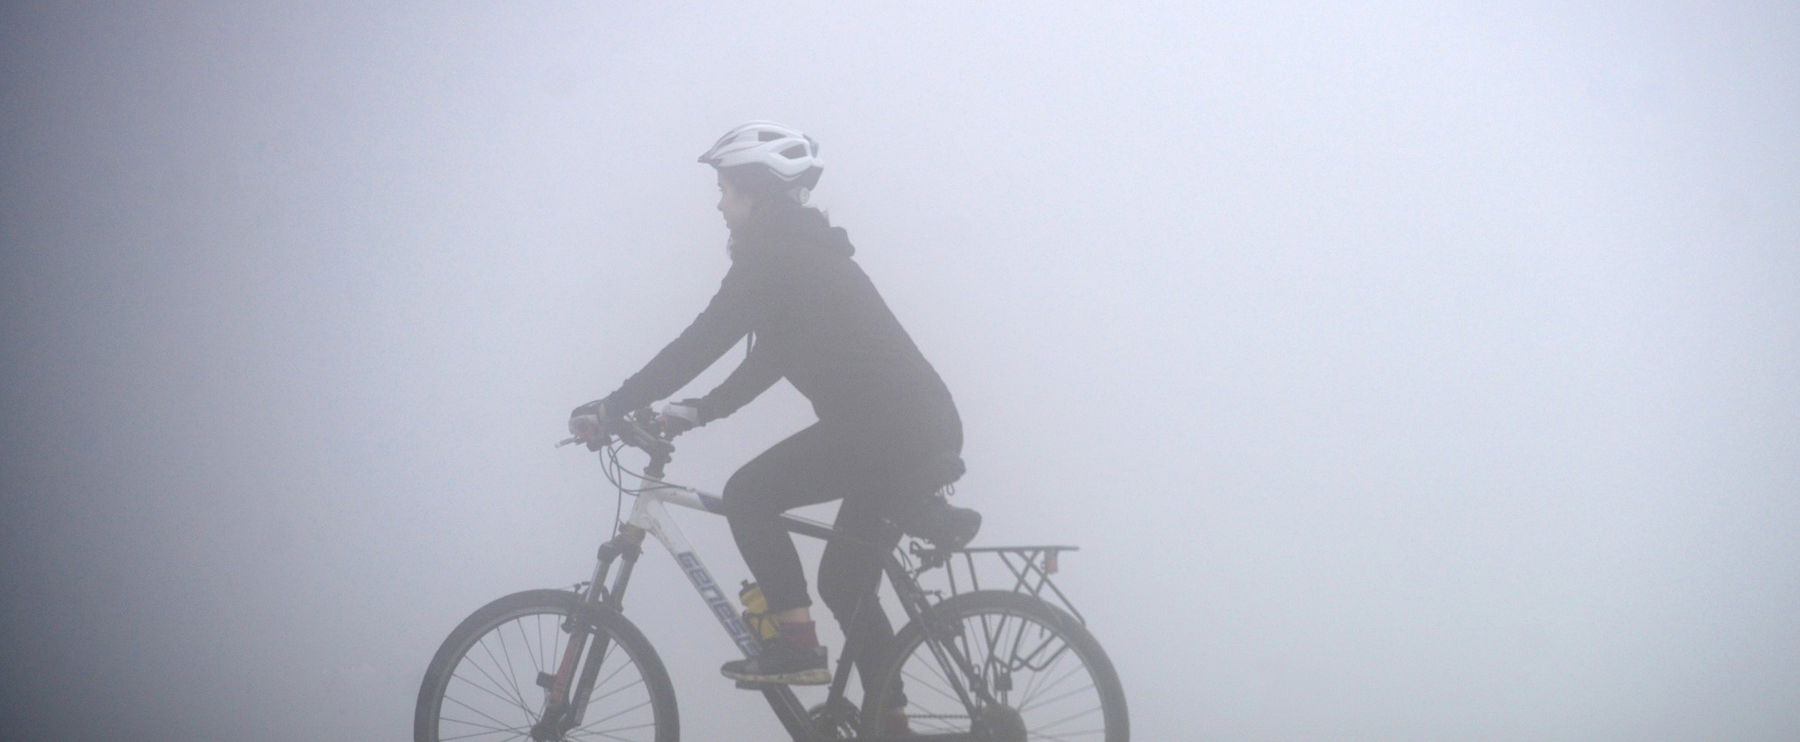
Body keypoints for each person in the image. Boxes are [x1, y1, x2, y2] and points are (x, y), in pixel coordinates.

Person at [569, 122, 964, 698]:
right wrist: (699, 411)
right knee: (846, 582)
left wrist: (613, 406)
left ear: (757, 192)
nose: (720, 204)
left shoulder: (775, 257)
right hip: (913, 424)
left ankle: (797, 650)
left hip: (885, 429)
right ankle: (890, 725)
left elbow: (703, 340)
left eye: (727, 190)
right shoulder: (800, 255)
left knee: (748, 495)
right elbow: (770, 360)